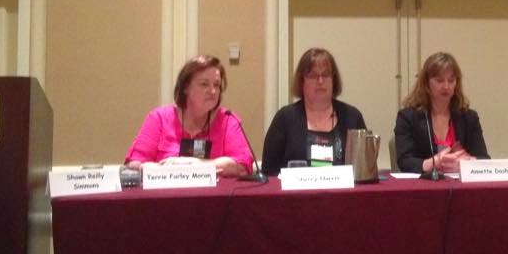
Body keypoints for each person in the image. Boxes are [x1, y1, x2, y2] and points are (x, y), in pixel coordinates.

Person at [125, 55, 253, 177]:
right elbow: (134, 163)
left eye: (217, 85)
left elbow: (243, 165)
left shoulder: (228, 120)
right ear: (185, 87)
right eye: (204, 84)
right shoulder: (159, 118)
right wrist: (153, 169)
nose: (213, 91)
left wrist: (198, 165)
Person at [261, 48, 366, 176]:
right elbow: (269, 173)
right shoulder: (284, 118)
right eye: (313, 76)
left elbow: (364, 170)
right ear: (302, 81)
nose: (320, 81)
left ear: (334, 80)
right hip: (295, 189)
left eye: (326, 75)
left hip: (344, 189)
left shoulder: (352, 117)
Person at [395, 52, 489, 174]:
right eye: (439, 81)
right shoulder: (408, 117)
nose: (446, 86)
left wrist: (466, 163)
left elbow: (484, 159)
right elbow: (405, 161)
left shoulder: (469, 117)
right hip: (424, 184)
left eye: (451, 80)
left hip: (459, 183)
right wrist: (435, 162)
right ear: (426, 83)